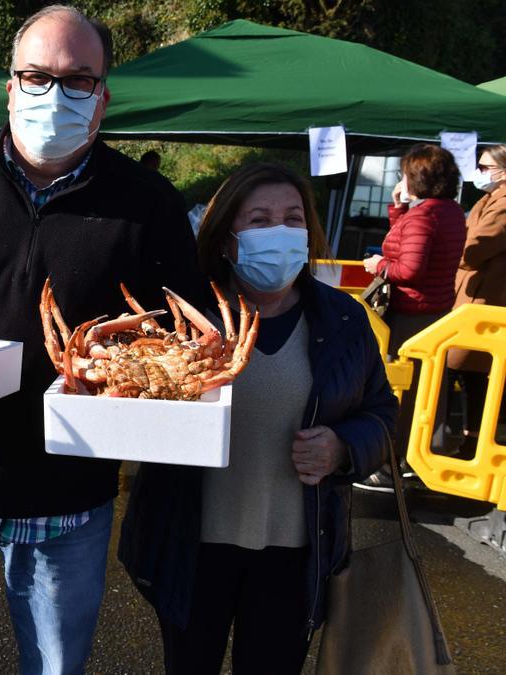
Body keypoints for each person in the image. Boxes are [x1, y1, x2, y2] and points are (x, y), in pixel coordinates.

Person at [0, 7, 207, 672]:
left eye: (79, 79)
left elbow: (186, 335)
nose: (54, 93)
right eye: (36, 75)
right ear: (9, 86)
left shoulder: (151, 205)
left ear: (104, 96)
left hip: (71, 498)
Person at [119, 163, 398, 674]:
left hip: (293, 550)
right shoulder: (180, 320)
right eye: (260, 219)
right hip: (191, 545)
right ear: (227, 238)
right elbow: (126, 398)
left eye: (293, 218)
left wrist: (342, 446)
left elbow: (381, 412)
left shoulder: (341, 319)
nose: (280, 232)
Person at [360, 144, 465, 487]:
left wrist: (379, 265)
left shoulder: (424, 216)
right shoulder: (448, 211)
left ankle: (393, 463)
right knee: (429, 391)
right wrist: (399, 208)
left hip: (409, 315)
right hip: (435, 312)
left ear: (417, 177)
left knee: (399, 392)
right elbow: (410, 241)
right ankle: (419, 460)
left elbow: (409, 267)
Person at [447, 144, 506, 456]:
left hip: (486, 301)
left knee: (466, 370)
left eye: (485, 167)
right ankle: (472, 441)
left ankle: (473, 443)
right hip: (474, 297)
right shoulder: (488, 199)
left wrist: (446, 252)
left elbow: (475, 249)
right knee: (472, 374)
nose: (479, 173)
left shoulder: (504, 203)